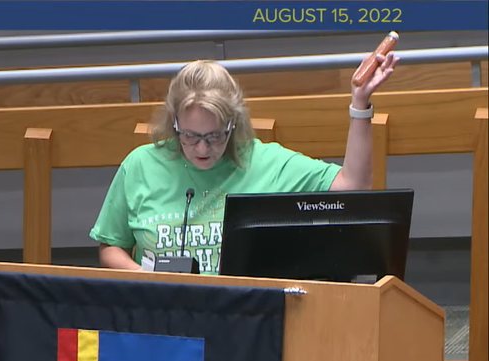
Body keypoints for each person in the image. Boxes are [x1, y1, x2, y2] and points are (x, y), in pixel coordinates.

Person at [90, 54, 399, 275]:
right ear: (173, 124)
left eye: (214, 136)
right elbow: (110, 246)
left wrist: (360, 106)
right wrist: (143, 276)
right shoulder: (140, 165)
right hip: (163, 317)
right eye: (189, 135)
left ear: (233, 125)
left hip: (244, 321)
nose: (202, 148)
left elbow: (353, 186)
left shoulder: (267, 162)